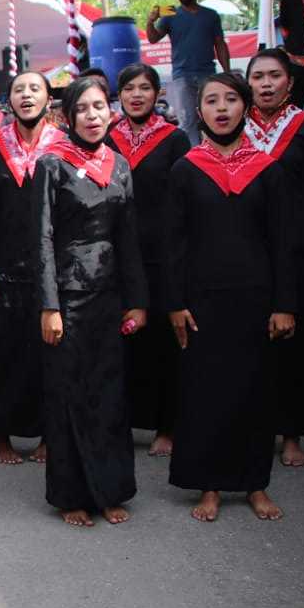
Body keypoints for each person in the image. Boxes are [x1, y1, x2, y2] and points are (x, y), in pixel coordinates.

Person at [165, 73, 295, 522]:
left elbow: (284, 243)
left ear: (246, 107)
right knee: (206, 393)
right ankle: (211, 486)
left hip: (256, 300)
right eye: (211, 101)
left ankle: (255, 483)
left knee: (255, 392)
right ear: (198, 111)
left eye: (230, 100)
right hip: (201, 302)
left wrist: (284, 304)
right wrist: (176, 303)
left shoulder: (268, 168)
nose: (221, 108)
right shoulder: (186, 169)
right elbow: (173, 244)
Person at [34, 77, 148, 527]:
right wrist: (49, 305)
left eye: (100, 106)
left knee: (109, 394)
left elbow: (129, 238)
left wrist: (138, 300)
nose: (94, 115)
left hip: (110, 294)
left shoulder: (119, 164)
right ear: (68, 117)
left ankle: (111, 489)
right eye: (83, 108)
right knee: (70, 394)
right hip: (67, 293)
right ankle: (72, 495)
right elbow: (40, 237)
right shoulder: (52, 165)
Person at [244, 48, 304, 467]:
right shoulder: (233, 127)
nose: (265, 84)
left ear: (289, 82)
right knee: (251, 345)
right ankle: (254, 427)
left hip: (300, 255)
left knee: (298, 346)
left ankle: (293, 433)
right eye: (258, 77)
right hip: (247, 254)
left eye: (273, 76)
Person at [0, 72, 62, 464]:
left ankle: (47, 432)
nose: (27, 96)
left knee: (49, 351)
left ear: (48, 98)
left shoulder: (63, 145)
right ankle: (2, 435)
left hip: (51, 263)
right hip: (5, 263)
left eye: (34, 89)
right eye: (19, 90)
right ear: (8, 100)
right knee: (4, 349)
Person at [106, 64, 191, 457]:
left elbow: (183, 202)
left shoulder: (174, 140)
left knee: (163, 343)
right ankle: (124, 419)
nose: (136, 95)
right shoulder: (107, 138)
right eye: (129, 88)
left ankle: (166, 425)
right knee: (123, 343)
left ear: (157, 94)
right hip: (117, 256)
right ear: (119, 95)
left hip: (161, 256)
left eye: (145, 88)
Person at [146, 0, 231, 143]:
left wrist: (227, 72)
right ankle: (193, 159)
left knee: (212, 117)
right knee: (187, 120)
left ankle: (215, 154)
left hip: (207, 73)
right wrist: (150, 21)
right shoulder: (169, 15)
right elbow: (153, 39)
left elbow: (220, 44)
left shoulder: (211, 15)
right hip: (181, 75)